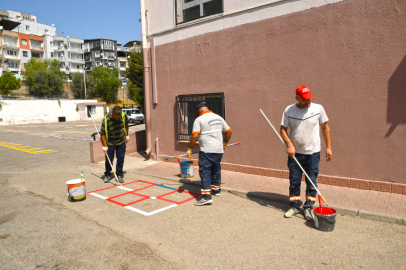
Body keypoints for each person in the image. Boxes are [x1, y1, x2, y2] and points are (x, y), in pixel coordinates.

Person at [280, 85, 332, 220]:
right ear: (297, 98)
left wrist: (329, 147)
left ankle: (308, 208)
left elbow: (325, 128)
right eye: (304, 99)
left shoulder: (318, 109)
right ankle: (295, 206)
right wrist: (289, 145)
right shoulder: (289, 110)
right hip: (295, 153)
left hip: (313, 153)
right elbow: (282, 130)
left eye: (309, 98)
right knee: (294, 181)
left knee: (312, 181)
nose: (308, 101)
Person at [187, 102, 232, 206]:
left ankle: (206, 197)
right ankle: (216, 190)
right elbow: (229, 131)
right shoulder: (218, 117)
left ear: (199, 111)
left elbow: (194, 136)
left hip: (207, 151)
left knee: (205, 172)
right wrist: (224, 144)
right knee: (216, 169)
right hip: (219, 150)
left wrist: (189, 148)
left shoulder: (199, 119)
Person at [100, 106, 130, 184]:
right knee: (109, 159)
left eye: (118, 117)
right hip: (110, 142)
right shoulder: (106, 120)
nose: (117, 118)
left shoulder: (123, 115)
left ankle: (119, 174)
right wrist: (105, 145)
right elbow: (102, 133)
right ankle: (107, 174)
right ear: (112, 113)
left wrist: (127, 135)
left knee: (120, 158)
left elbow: (126, 124)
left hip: (121, 141)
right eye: (116, 117)